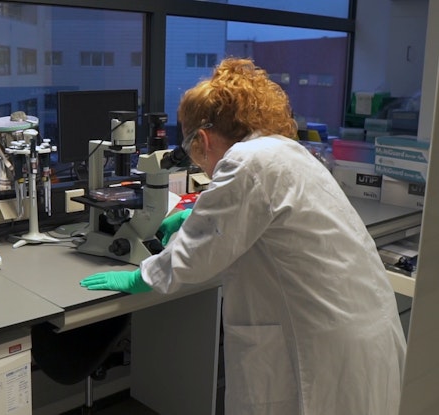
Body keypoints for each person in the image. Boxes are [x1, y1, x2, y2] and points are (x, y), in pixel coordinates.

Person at [80, 57, 406, 415]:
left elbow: (196, 258)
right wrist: (192, 216)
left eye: (192, 153)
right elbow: (254, 217)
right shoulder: (284, 150)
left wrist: (141, 276)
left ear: (201, 138)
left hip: (321, 350)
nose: (198, 162)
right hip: (362, 331)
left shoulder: (246, 163)